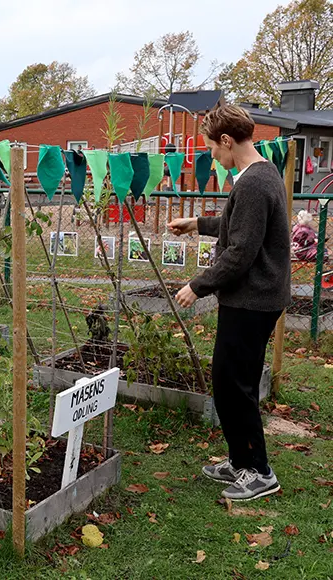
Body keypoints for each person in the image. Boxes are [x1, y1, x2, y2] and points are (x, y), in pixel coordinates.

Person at [167, 105, 290, 501]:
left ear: (226, 141)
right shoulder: (262, 172)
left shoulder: (253, 182)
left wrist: (198, 285)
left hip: (253, 300)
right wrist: (197, 224)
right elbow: (240, 223)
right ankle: (241, 461)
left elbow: (240, 251)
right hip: (255, 298)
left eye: (212, 149)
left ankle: (258, 471)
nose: (212, 157)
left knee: (233, 385)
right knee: (234, 381)